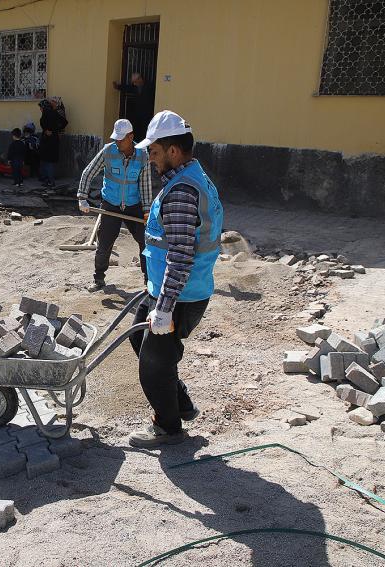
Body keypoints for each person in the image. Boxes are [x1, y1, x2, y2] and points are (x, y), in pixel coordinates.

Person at [126, 110, 224, 448]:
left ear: (173, 151)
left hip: (180, 295)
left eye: (153, 152)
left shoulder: (182, 191)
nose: (150, 160)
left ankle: (168, 428)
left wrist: (164, 308)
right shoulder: (189, 177)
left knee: (153, 364)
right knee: (139, 339)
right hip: (171, 290)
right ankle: (180, 403)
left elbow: (181, 255)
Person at [77, 118, 152, 292]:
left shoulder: (143, 155)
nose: (117, 142)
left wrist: (147, 211)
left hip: (134, 205)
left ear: (131, 137)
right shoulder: (108, 151)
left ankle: (149, 281)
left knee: (145, 242)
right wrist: (82, 197)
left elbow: (145, 185)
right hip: (111, 204)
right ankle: (99, 279)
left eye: (121, 139)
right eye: (116, 138)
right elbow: (88, 172)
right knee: (104, 243)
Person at [113, 72, 155, 141]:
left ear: (140, 79)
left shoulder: (149, 87)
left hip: (147, 114)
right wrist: (118, 87)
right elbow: (128, 88)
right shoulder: (135, 87)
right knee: (137, 130)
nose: (134, 84)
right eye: (133, 82)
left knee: (145, 131)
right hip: (137, 113)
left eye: (135, 82)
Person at [38, 98, 68, 187]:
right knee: (49, 161)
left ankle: (50, 181)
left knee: (47, 161)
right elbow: (65, 122)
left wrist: (49, 130)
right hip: (54, 139)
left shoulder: (45, 115)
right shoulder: (55, 113)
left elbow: (44, 126)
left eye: (41, 108)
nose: (40, 109)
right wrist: (56, 130)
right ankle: (48, 180)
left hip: (47, 140)